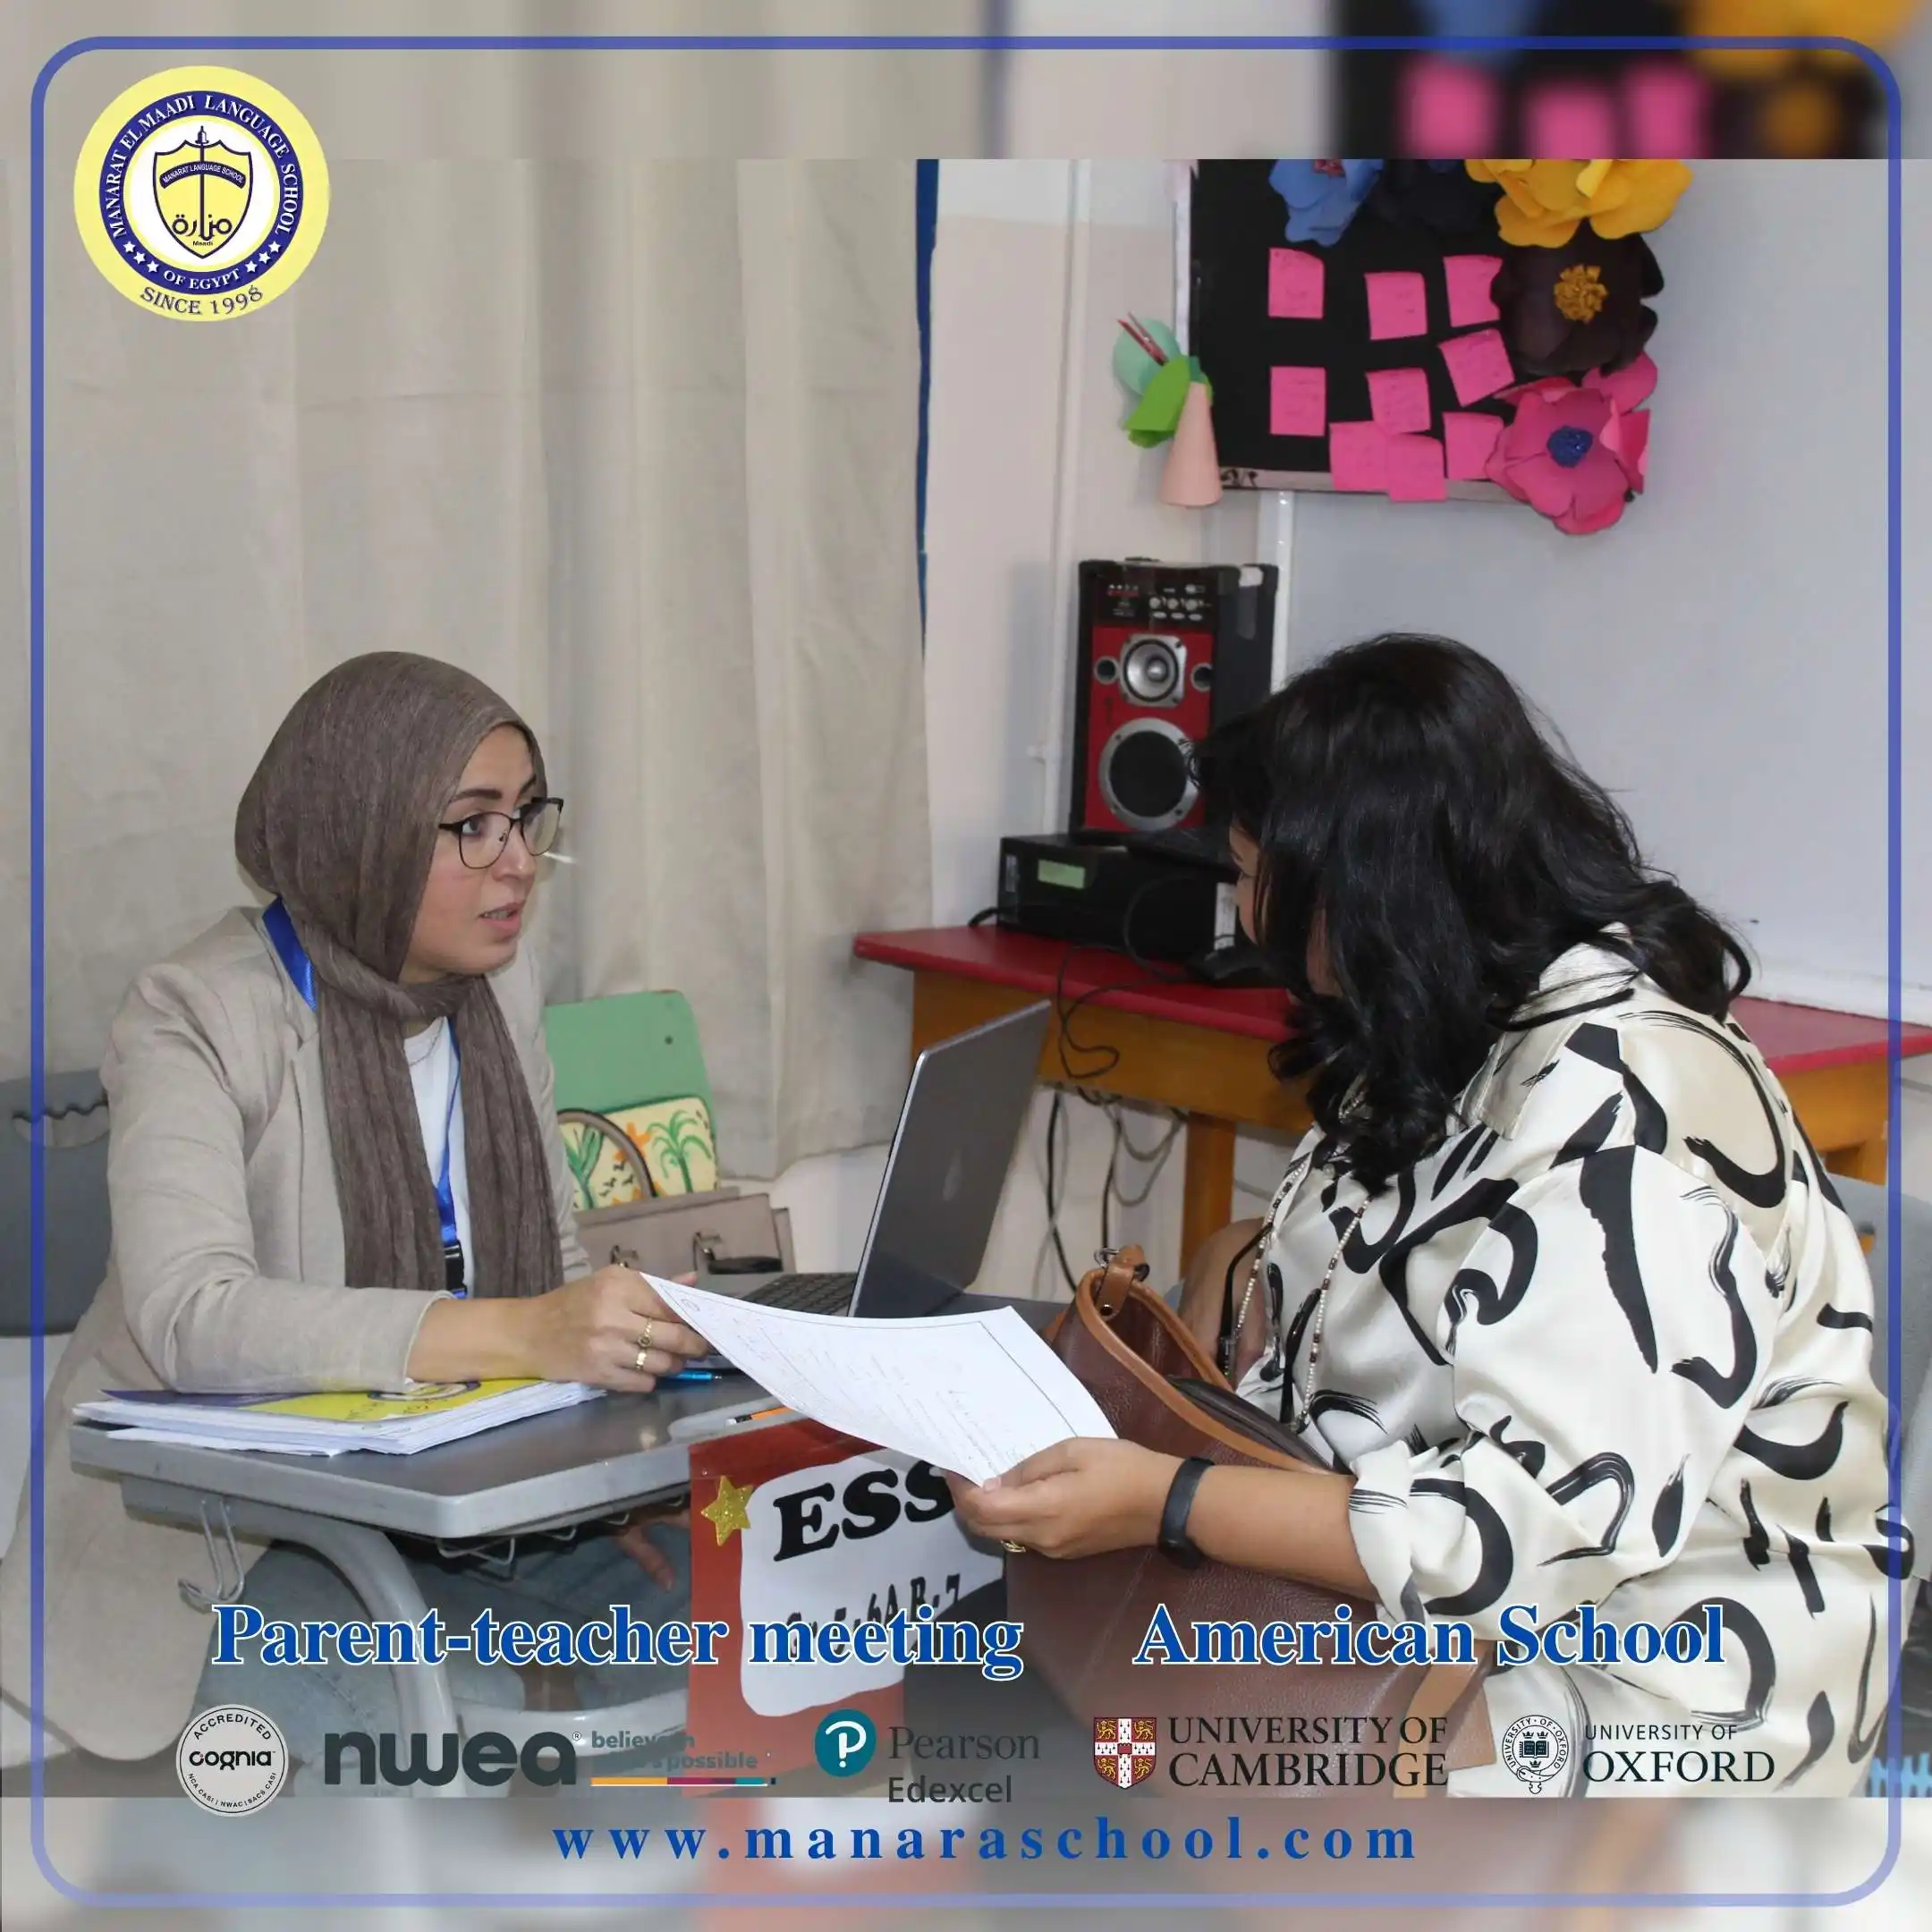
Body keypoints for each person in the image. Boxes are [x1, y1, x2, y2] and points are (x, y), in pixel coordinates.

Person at [949, 635, 1907, 1796]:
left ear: (1364, 888)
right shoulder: (1464, 1014)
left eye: (1254, 877)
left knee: (1123, 1756)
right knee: (1003, 1661)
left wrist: (1172, 1500)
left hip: (1656, 1682)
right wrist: (1229, 1283)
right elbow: (1394, 1249)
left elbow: (1512, 1545)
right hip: (1437, 1593)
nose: (1245, 916)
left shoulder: (1626, 1113)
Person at [0, 653, 710, 1779]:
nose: (517, 861)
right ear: (361, 830)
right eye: (471, 825)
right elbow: (194, 1317)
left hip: (454, 1500)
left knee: (737, 1598)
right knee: (447, 1713)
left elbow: (555, 1260)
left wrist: (601, 1458)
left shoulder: (496, 988)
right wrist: (526, 1332)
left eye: (527, 816)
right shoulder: (197, 1012)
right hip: (227, 1537)